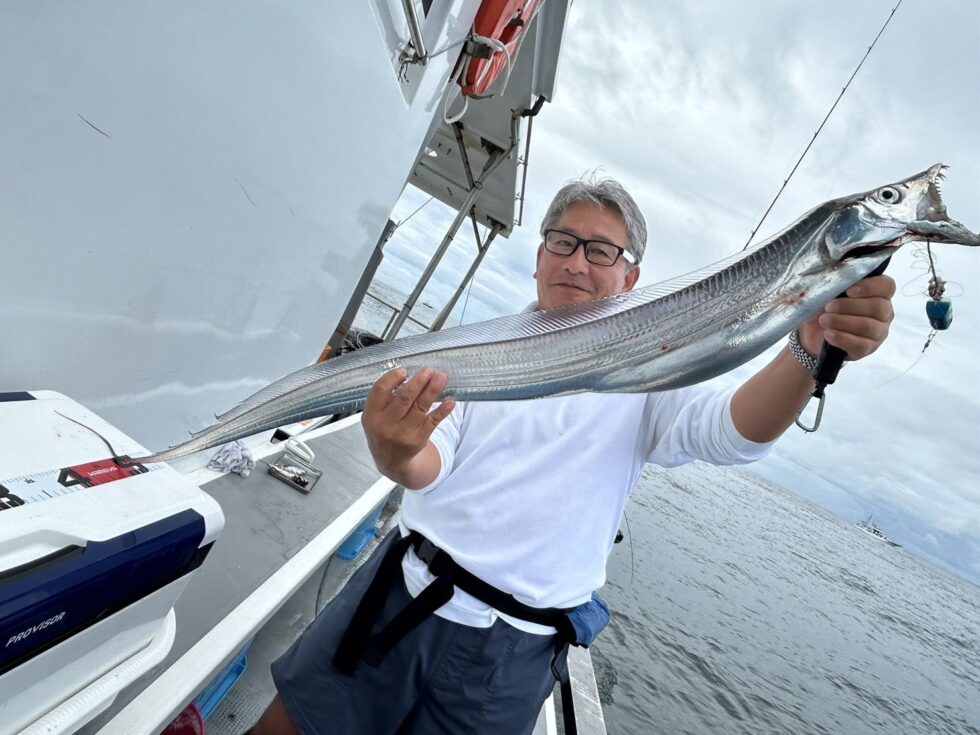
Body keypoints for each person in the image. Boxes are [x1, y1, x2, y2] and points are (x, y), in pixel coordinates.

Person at [249, 176, 895, 734]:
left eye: (600, 250)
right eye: (562, 241)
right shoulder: (480, 352)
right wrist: (396, 452)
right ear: (538, 258)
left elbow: (731, 430)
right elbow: (428, 461)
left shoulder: (652, 371)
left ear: (631, 276)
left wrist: (807, 352)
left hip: (510, 655)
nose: (577, 262)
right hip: (400, 595)